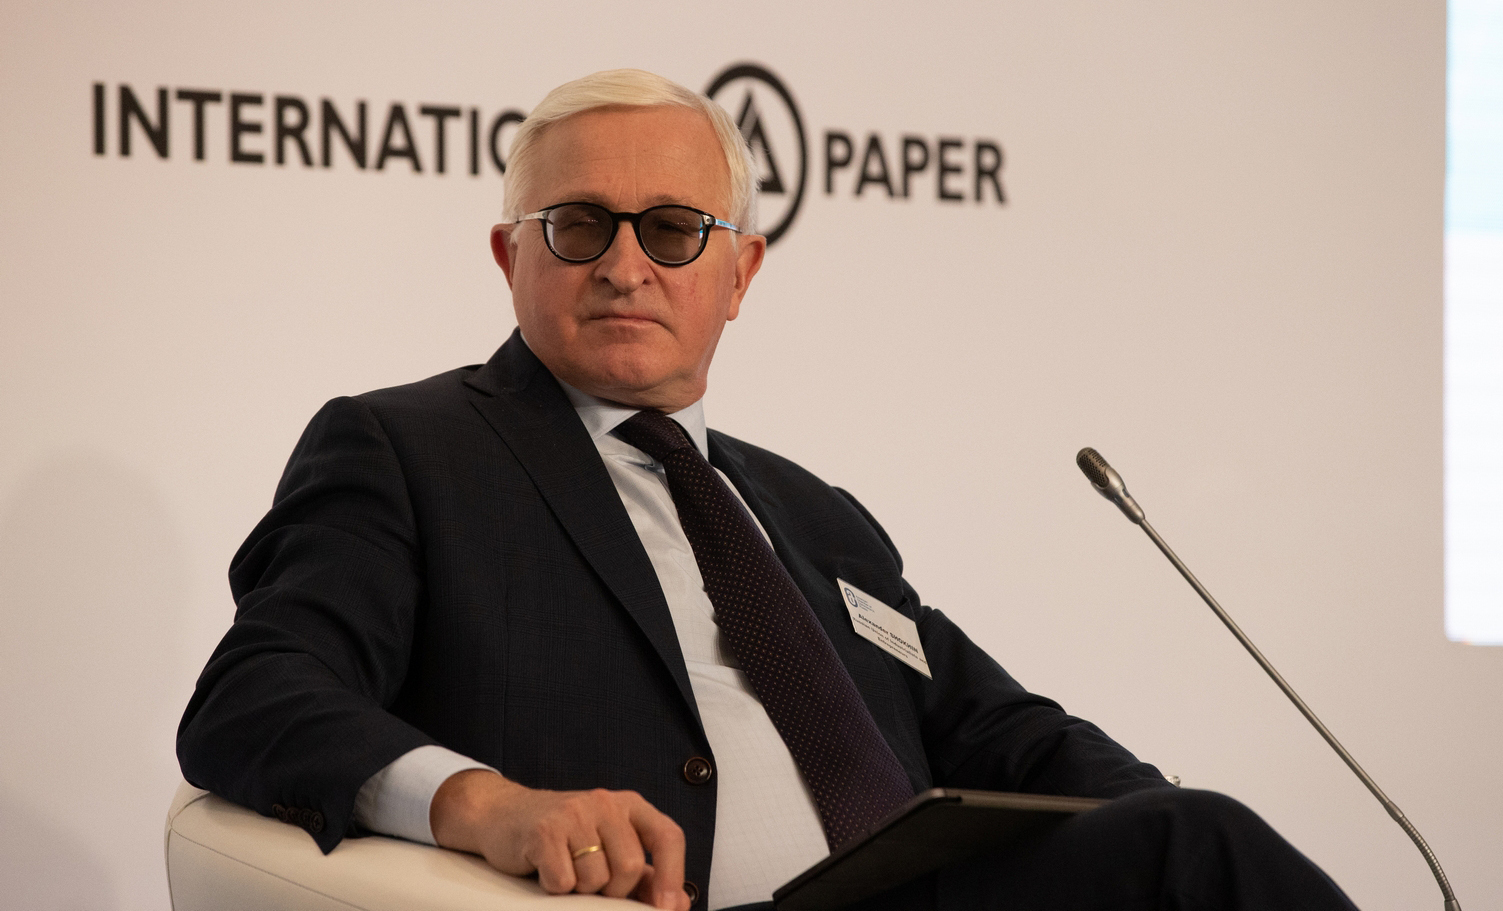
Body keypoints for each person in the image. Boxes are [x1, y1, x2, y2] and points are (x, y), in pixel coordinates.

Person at [177, 69, 1358, 911]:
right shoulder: (407, 450)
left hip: (909, 888)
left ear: (739, 272)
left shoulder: (815, 516)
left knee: (1188, 842)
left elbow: (1000, 730)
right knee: (1195, 848)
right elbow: (253, 696)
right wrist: (489, 804)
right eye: (579, 226)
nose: (625, 265)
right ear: (510, 256)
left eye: (673, 230)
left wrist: (1145, 817)